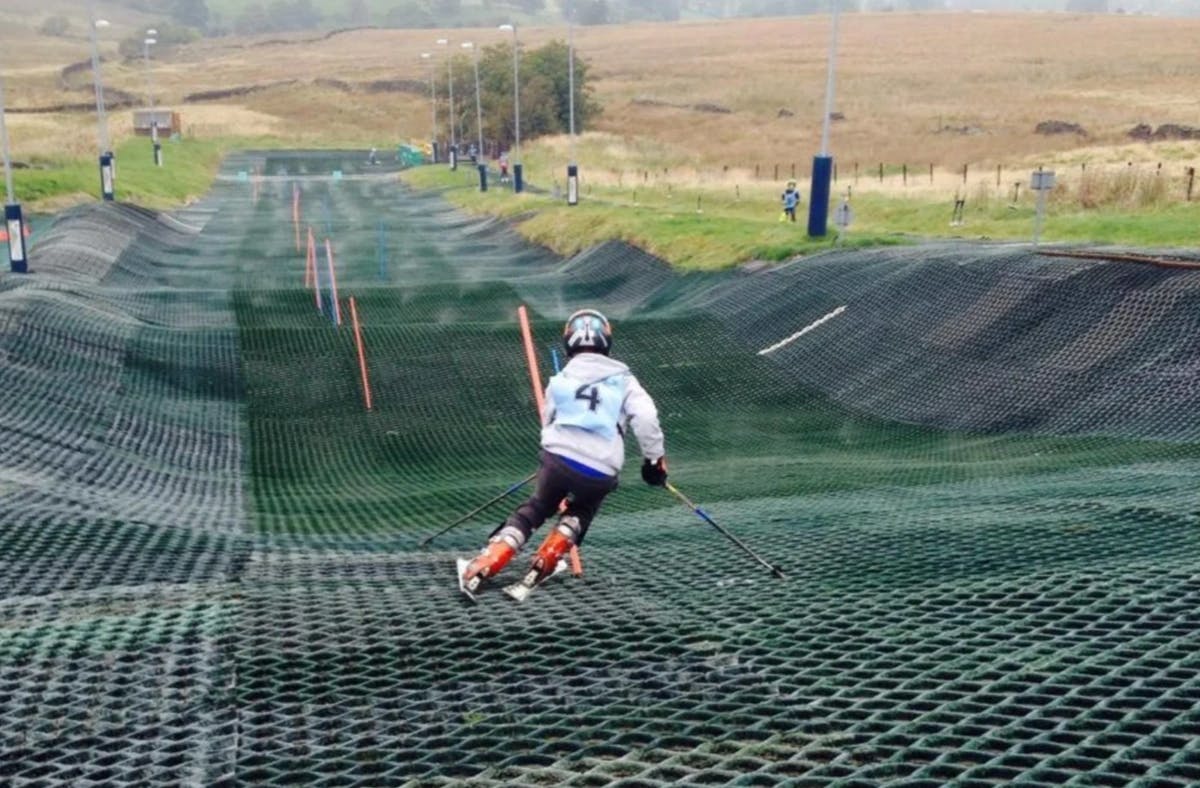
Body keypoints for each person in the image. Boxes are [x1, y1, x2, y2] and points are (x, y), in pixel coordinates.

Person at [462, 308, 669, 594]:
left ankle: (490, 559)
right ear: (605, 341)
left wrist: (551, 458)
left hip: (557, 459)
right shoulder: (624, 379)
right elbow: (645, 418)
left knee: (535, 509)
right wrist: (653, 461)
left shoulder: (561, 378)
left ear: (569, 342)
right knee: (583, 508)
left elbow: (548, 421)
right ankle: (549, 554)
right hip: (601, 469)